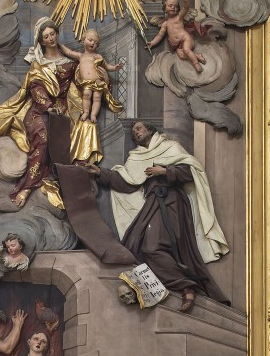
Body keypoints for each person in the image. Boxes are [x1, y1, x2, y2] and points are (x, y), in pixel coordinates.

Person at [88, 120, 230, 313]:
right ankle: (186, 287)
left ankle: (186, 287)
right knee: (141, 246)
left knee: (150, 246)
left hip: (172, 201)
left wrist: (165, 171)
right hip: (153, 202)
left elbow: (191, 171)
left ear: (150, 129)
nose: (135, 132)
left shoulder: (170, 147)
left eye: (139, 128)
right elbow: (127, 182)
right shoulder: (136, 157)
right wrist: (100, 173)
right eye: (133, 131)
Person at [0, 17, 101, 207]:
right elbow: (35, 88)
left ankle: (70, 182)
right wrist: (48, 106)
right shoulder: (38, 65)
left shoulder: (70, 63)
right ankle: (27, 187)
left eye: (52, 34)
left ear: (57, 35)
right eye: (46, 36)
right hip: (39, 112)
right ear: (41, 41)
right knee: (44, 137)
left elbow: (83, 84)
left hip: (64, 111)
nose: (50, 38)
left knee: (80, 130)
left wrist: (99, 77)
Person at [61, 27, 123, 123]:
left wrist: (115, 67)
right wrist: (59, 45)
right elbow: (69, 52)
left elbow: (107, 66)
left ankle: (93, 114)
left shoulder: (97, 56)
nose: (93, 43)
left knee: (97, 98)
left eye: (96, 43)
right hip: (86, 82)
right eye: (90, 40)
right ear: (83, 41)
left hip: (98, 82)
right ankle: (86, 112)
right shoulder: (81, 56)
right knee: (86, 95)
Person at [148, 0, 205, 74]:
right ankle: (197, 56)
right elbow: (159, 36)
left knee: (186, 50)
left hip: (186, 39)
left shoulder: (179, 17)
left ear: (178, 8)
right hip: (177, 45)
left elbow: (186, 8)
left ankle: (196, 64)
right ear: (165, 8)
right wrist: (152, 43)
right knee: (181, 56)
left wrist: (185, 0)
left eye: (175, 6)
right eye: (170, 6)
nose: (173, 8)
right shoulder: (165, 24)